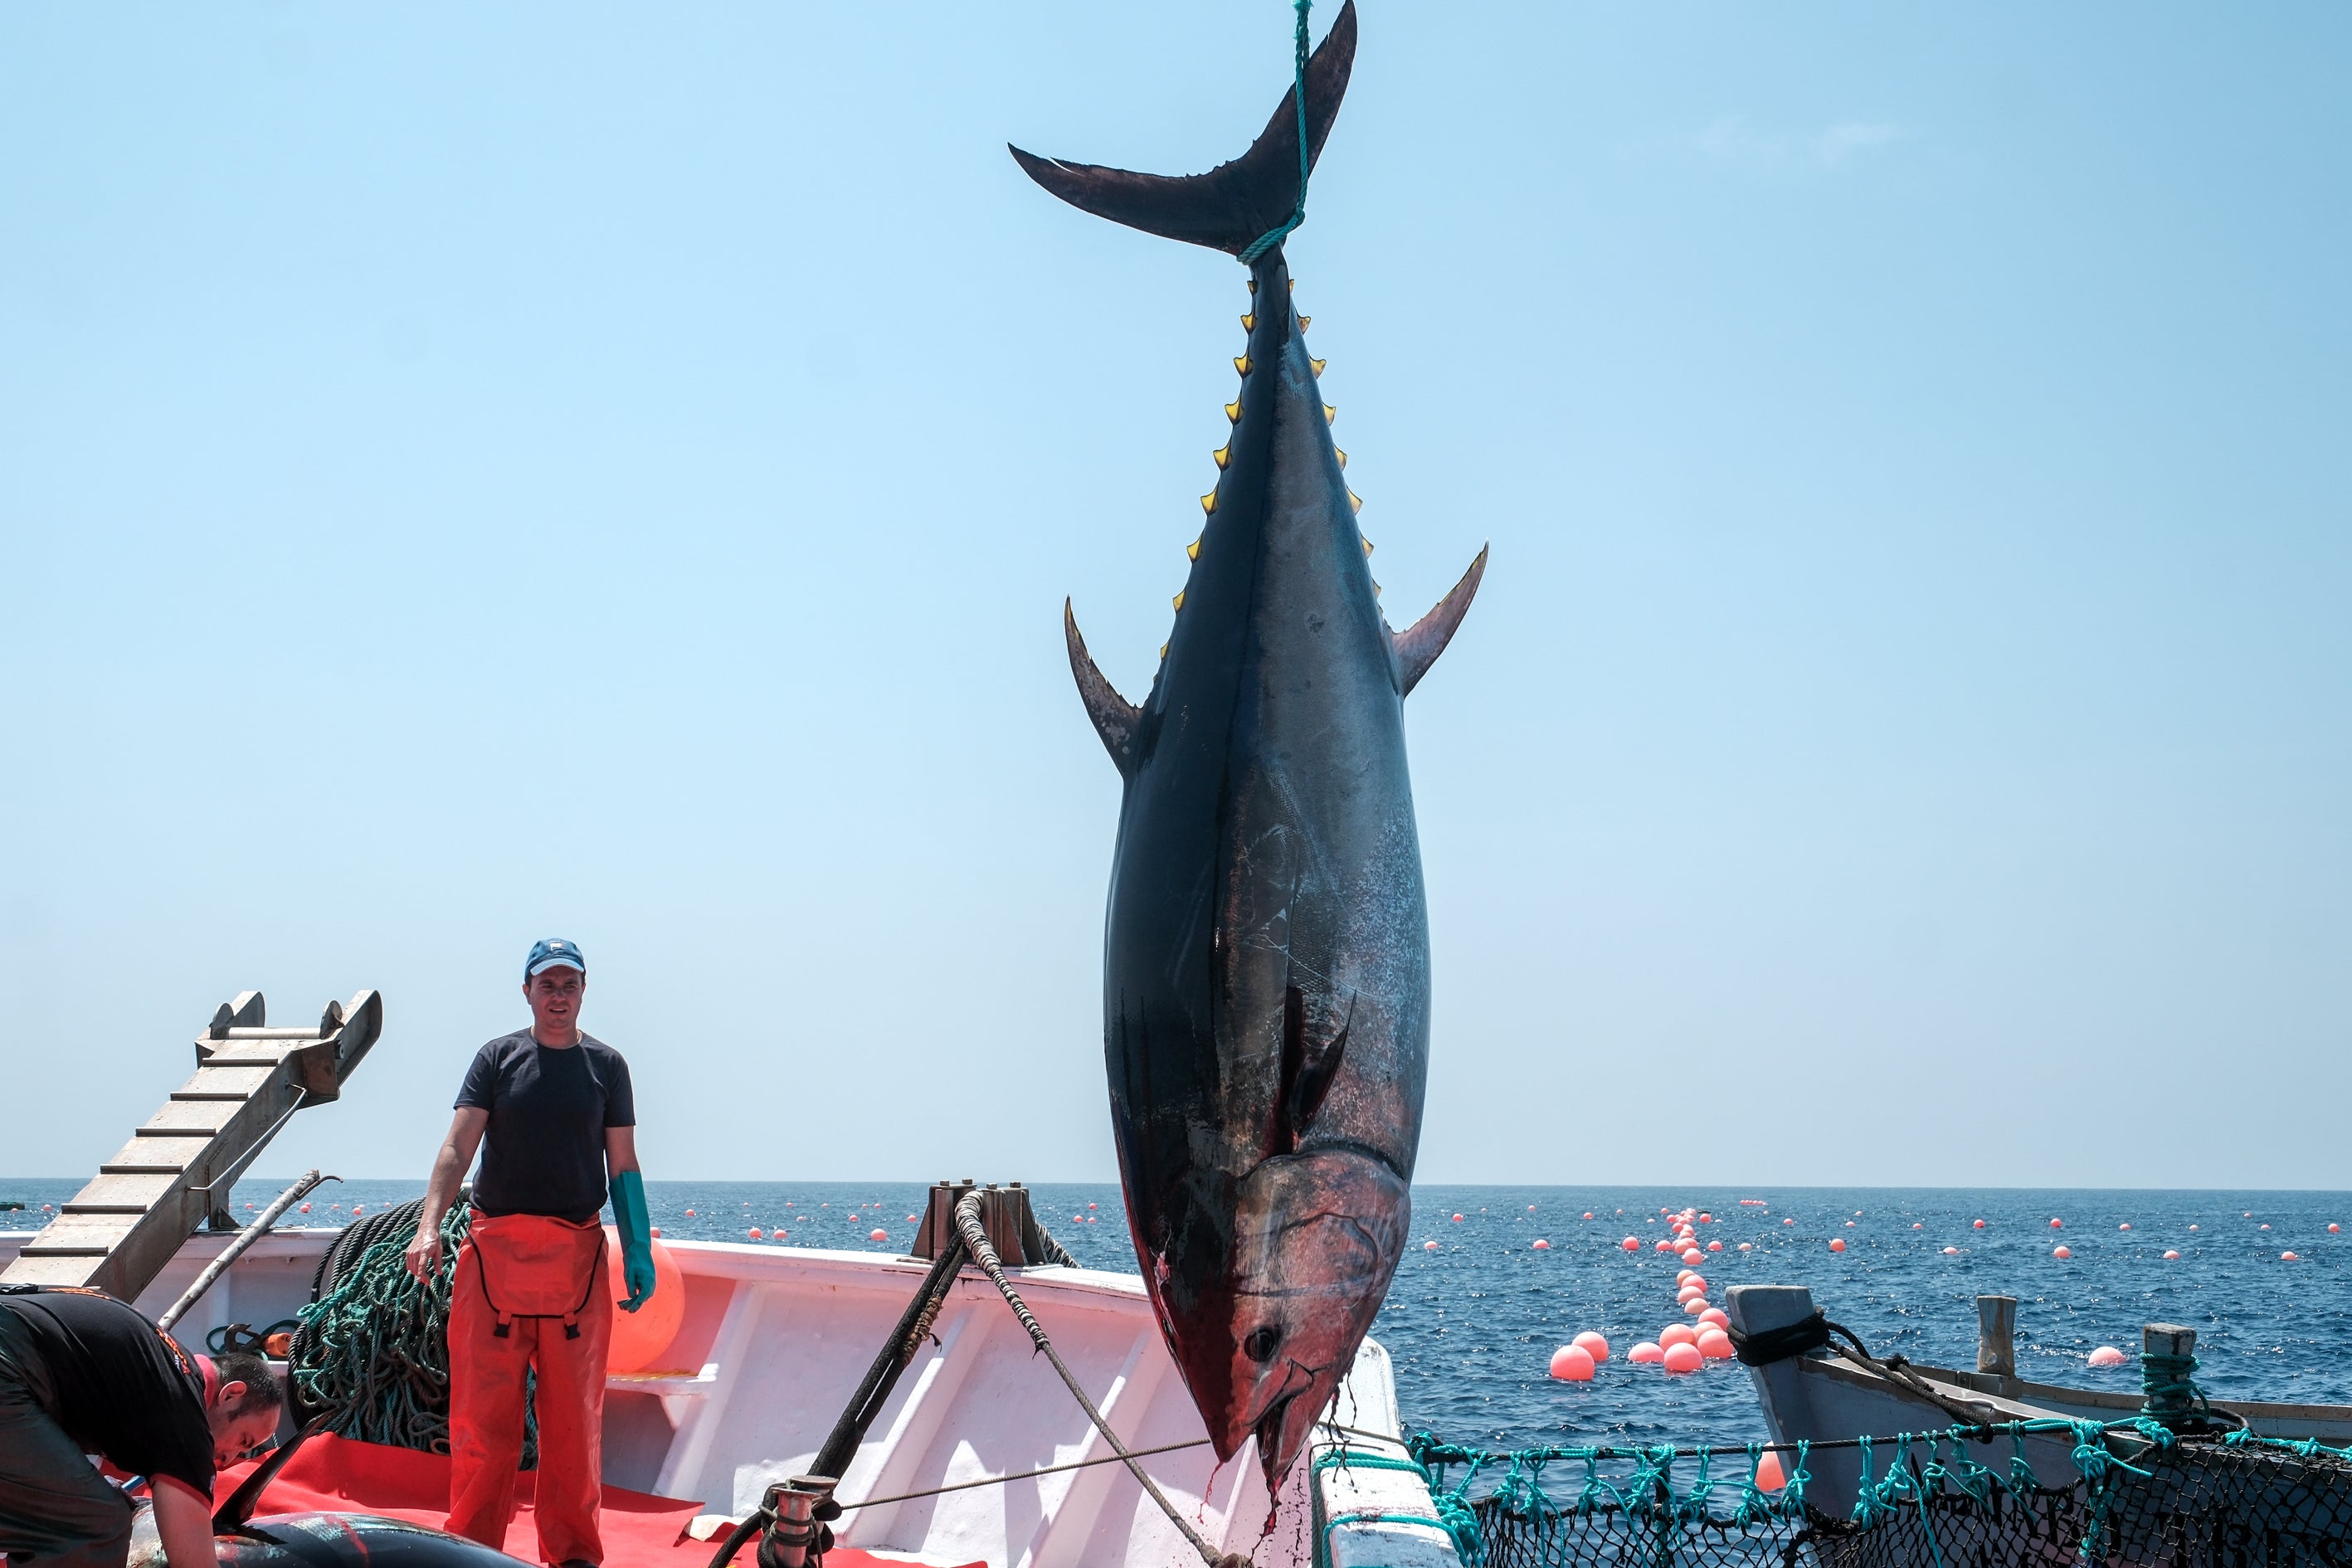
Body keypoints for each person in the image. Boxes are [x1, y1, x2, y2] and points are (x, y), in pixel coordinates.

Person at [405, 938, 655, 1568]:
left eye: (569, 985)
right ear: (527, 991)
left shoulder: (608, 1066)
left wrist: (640, 1248)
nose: (558, 996)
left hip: (578, 1259)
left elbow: (622, 1164)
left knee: (574, 1430)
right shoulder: (496, 1058)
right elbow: (458, 1149)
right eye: (547, 985)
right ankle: (469, 1553)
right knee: (481, 1428)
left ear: (583, 992)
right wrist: (428, 1226)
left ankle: (571, 1557)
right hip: (493, 1259)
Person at [0, 1284, 283, 1568]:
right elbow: (194, 1563)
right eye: (242, 1441)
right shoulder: (182, 1405)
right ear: (231, 1395)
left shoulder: (157, 1361)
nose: (227, 1460)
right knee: (96, 1524)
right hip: (10, 1369)